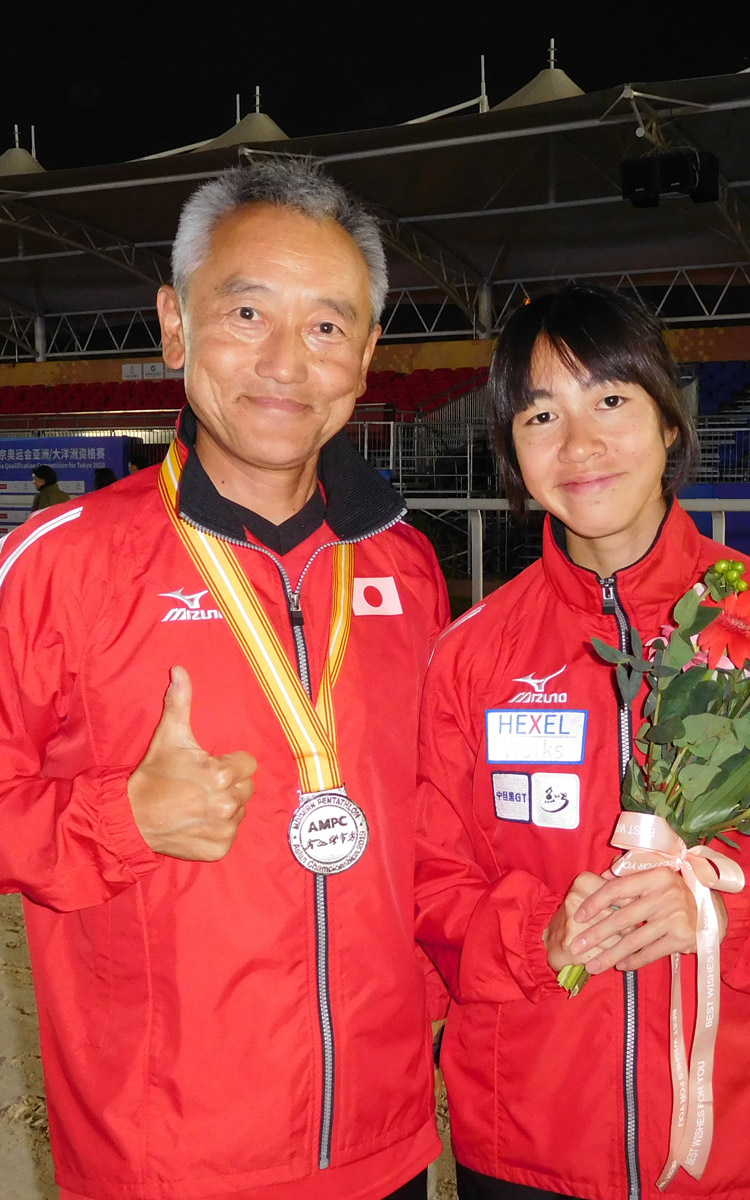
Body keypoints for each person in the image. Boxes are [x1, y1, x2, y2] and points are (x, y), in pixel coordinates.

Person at [0, 159, 449, 1200]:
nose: (287, 362)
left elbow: (430, 823)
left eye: (328, 326)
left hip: (384, 1144)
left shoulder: (407, 565)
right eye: (248, 312)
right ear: (175, 324)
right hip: (169, 1161)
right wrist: (119, 820)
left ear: (367, 354)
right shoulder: (59, 566)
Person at [414, 285, 750, 1200]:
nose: (579, 444)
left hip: (726, 1145)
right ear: (512, 453)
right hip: (527, 1141)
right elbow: (429, 887)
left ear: (670, 423)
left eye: (609, 400)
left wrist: (719, 916)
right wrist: (539, 936)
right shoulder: (470, 657)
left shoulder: (744, 622)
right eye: (540, 415)